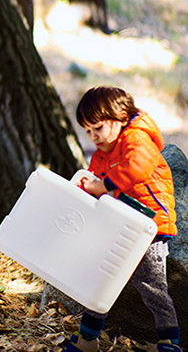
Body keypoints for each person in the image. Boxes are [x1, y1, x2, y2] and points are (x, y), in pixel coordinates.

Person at [63, 86, 180, 352]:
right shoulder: (102, 154)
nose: (94, 137)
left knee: (153, 288)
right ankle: (87, 339)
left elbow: (137, 168)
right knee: (102, 282)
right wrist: (84, 189)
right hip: (119, 226)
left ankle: (169, 341)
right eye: (88, 132)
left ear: (120, 118)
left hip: (150, 228)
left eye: (99, 128)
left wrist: (103, 186)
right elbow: (95, 183)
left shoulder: (137, 139)